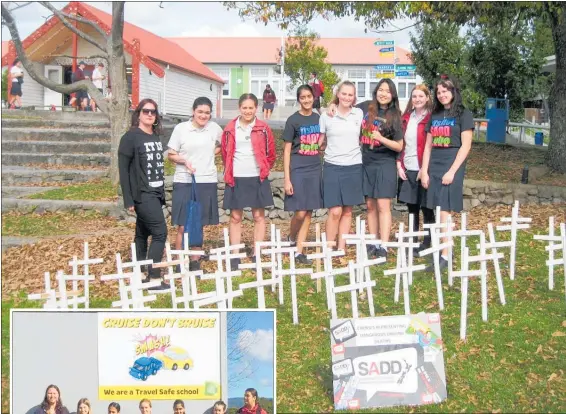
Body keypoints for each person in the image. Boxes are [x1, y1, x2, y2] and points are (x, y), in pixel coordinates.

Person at [421, 75, 474, 271]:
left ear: (453, 91)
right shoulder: (434, 115)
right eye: (439, 92)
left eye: (446, 91)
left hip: (452, 164)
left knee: (444, 209)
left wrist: (452, 171)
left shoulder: (463, 114)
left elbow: (466, 145)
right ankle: (444, 249)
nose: (442, 95)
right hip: (434, 164)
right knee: (438, 209)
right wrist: (424, 171)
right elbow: (427, 146)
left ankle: (445, 253)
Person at [118, 98, 169, 291]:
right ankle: (153, 277)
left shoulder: (155, 136)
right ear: (138, 113)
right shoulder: (130, 137)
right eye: (146, 111)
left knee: (142, 234)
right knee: (160, 233)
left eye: (153, 112)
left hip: (155, 193)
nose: (149, 114)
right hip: (143, 194)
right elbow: (123, 170)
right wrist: (128, 198)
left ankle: (139, 273)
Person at [167, 97, 222, 270]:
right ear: (193, 111)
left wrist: (211, 153)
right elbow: (171, 154)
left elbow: (223, 145)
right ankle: (180, 260)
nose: (203, 116)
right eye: (200, 112)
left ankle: (195, 260)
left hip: (207, 180)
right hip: (185, 180)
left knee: (199, 222)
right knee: (183, 224)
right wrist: (184, 161)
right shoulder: (181, 129)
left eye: (207, 113)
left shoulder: (214, 129)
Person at [222, 93, 276, 269]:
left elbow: (271, 154)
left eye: (251, 108)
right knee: (236, 217)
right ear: (239, 108)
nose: (247, 111)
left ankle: (257, 253)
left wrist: (264, 168)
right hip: (236, 176)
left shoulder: (263, 128)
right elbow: (225, 153)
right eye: (244, 108)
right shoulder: (230, 128)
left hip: (257, 176)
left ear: (256, 108)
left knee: (259, 216)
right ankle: (235, 255)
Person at [358, 79, 404, 259]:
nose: (383, 93)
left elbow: (399, 146)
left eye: (387, 91)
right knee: (370, 205)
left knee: (383, 205)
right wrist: (332, 105)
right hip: (367, 162)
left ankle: (383, 245)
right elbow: (342, 103)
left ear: (392, 95)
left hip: (385, 163)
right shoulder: (365, 108)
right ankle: (373, 241)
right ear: (376, 91)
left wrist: (381, 138)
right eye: (381, 90)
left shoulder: (395, 115)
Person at [318, 81, 364, 251]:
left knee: (347, 211)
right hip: (332, 166)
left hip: (353, 166)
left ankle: (341, 248)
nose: (346, 97)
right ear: (338, 94)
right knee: (335, 211)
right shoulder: (326, 115)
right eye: (343, 94)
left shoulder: (359, 113)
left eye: (350, 95)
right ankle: (329, 247)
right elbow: (319, 142)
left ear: (354, 97)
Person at [282, 84, 323, 264]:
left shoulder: (319, 118)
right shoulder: (293, 120)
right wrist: (287, 179)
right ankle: (291, 239)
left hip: (315, 168)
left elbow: (322, 141)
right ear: (299, 100)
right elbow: (286, 151)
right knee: (299, 213)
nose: (307, 100)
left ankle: (299, 251)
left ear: (313, 98)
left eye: (309, 96)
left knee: (308, 212)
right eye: (303, 97)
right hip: (298, 168)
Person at [397, 84, 435, 255]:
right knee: (412, 208)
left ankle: (428, 242)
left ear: (427, 98)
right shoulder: (406, 118)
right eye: (414, 96)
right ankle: (413, 241)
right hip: (408, 168)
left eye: (421, 96)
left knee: (426, 208)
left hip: (424, 169)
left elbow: (431, 147)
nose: (417, 99)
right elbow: (401, 143)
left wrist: (424, 168)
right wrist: (399, 163)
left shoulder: (432, 118)